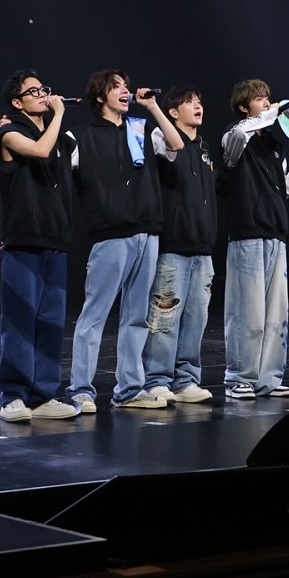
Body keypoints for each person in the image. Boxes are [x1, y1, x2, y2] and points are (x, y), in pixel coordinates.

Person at [66, 69, 183, 412]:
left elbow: (176, 144)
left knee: (137, 316)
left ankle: (129, 389)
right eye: (116, 86)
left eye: (126, 86)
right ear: (99, 96)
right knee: (95, 314)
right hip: (111, 234)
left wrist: (152, 107)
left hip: (147, 231)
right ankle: (81, 390)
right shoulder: (80, 137)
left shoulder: (139, 128)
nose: (125, 91)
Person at [218, 78, 289, 399]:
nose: (267, 102)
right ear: (244, 106)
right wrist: (271, 113)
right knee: (247, 311)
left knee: (276, 314)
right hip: (247, 233)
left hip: (276, 234)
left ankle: (268, 378)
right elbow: (238, 138)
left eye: (267, 98)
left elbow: (287, 188)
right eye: (259, 99)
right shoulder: (234, 135)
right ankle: (239, 377)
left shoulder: (274, 145)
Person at [0, 70, 79, 421]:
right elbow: (40, 151)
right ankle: (13, 396)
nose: (43, 95)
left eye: (44, 89)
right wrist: (58, 113)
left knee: (50, 322)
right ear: (17, 102)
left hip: (55, 239)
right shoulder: (9, 132)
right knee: (20, 321)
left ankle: (43, 396)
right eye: (34, 92)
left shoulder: (60, 139)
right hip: (25, 239)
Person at [143, 86, 217, 405]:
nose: (198, 106)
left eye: (199, 101)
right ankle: (157, 379)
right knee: (165, 318)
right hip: (174, 246)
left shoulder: (204, 148)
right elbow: (170, 144)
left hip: (203, 248)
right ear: (173, 112)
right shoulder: (163, 139)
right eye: (189, 102)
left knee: (196, 319)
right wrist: (155, 108)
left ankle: (186, 379)